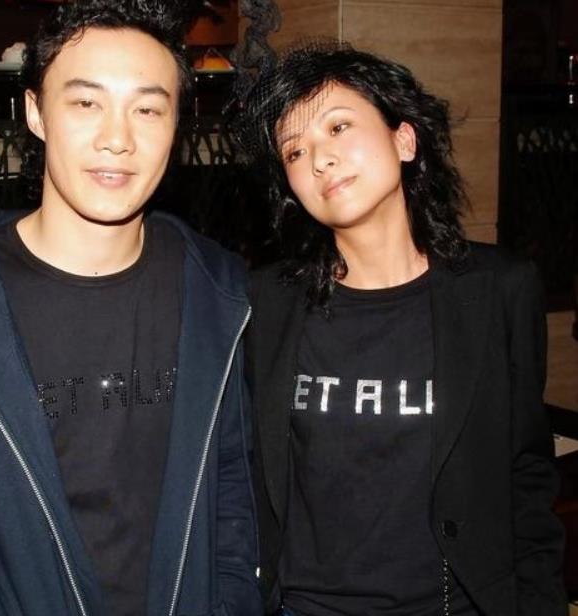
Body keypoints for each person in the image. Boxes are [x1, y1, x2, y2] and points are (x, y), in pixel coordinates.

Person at [0, 2, 262, 615]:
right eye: (86, 102)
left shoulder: (219, 292)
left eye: (147, 109)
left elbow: (236, 490)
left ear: (177, 124)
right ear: (36, 112)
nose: (117, 138)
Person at [240, 40, 566, 615]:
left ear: (405, 139)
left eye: (339, 127)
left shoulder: (499, 291)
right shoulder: (265, 303)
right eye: (294, 151)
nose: (319, 159)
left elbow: (526, 474)